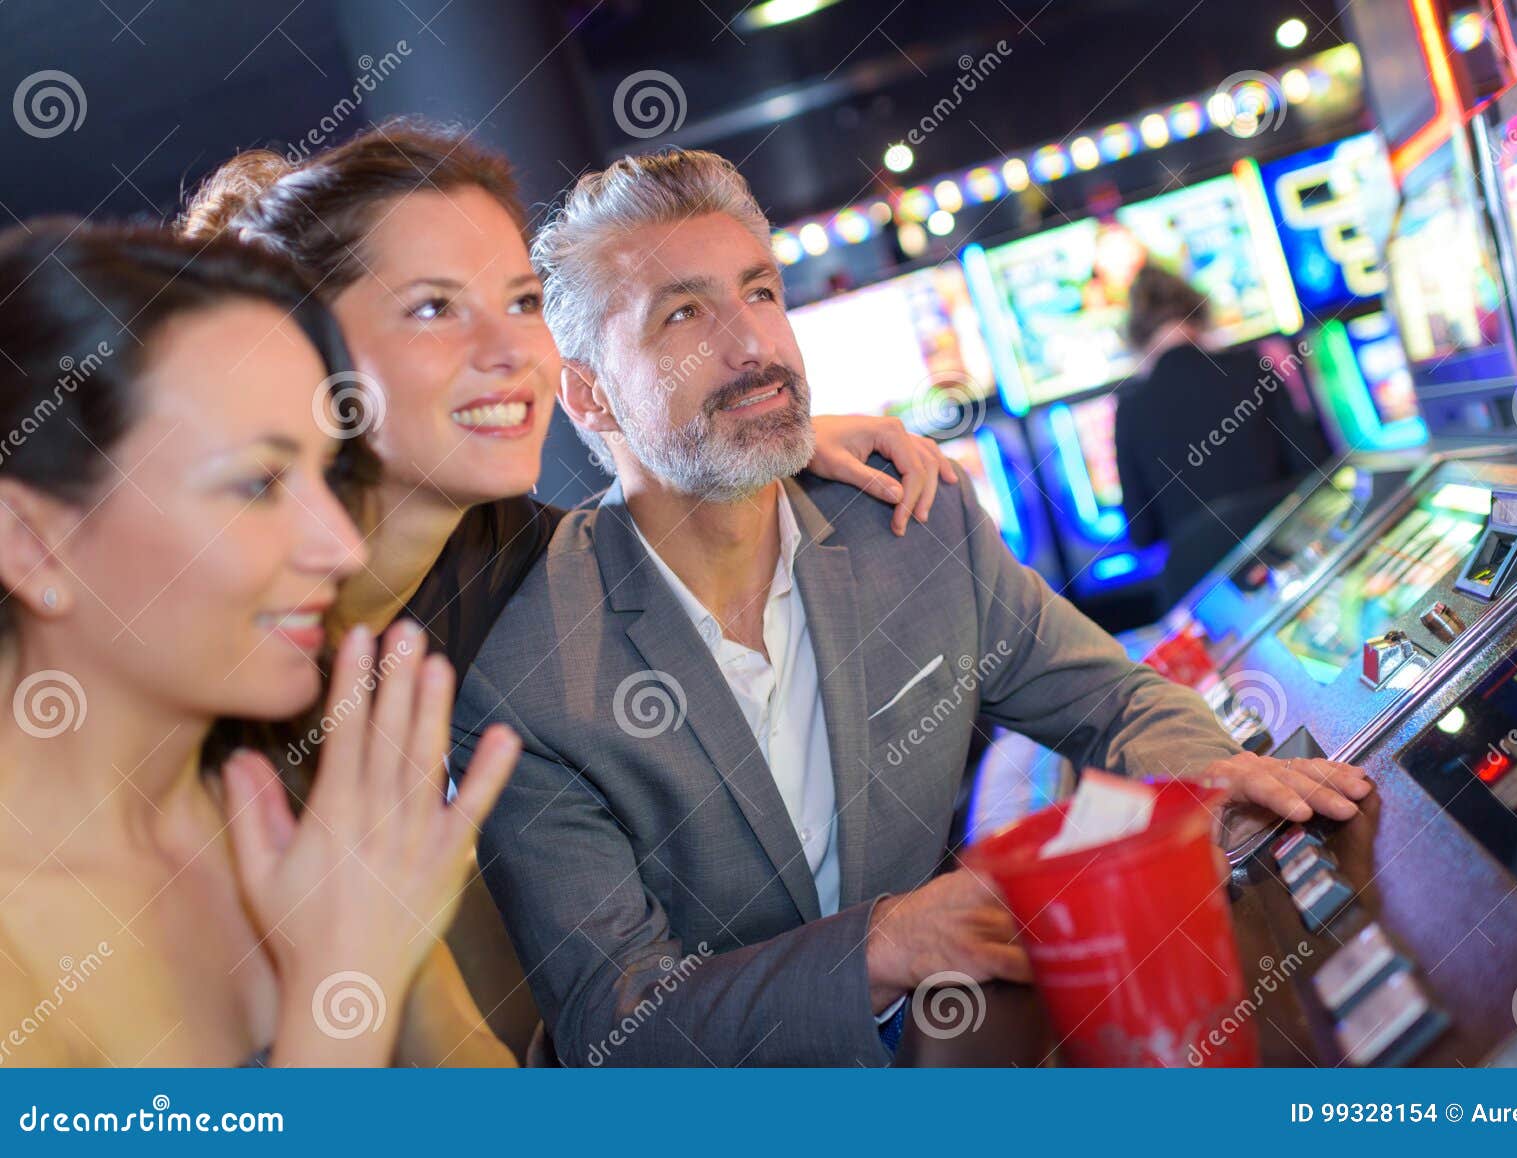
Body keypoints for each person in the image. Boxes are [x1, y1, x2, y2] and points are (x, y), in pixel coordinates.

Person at [451, 149, 1374, 1067]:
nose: (752, 346)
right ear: (588, 393)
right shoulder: (528, 673)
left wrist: (1208, 770)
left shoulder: (911, 524)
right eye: (684, 314)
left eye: (761, 292)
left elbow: (1114, 702)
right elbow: (621, 1029)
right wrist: (883, 945)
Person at [179, 122, 957, 1055]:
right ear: (300, 357)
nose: (512, 351)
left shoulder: (493, 549)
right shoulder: (204, 671)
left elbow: (436, 1022)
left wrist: (772, 433)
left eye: (520, 302)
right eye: (433, 308)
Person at [0, 223, 520, 1066]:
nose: (342, 549)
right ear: (34, 542)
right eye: (257, 484)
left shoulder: (301, 788)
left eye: (326, 474)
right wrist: (340, 998)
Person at [1113, 264, 1330, 603]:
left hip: (1208, 595)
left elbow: (1142, 533)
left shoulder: (1130, 409)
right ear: (1201, 314)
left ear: (1136, 337)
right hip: (1290, 566)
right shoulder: (1253, 368)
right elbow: (1314, 470)